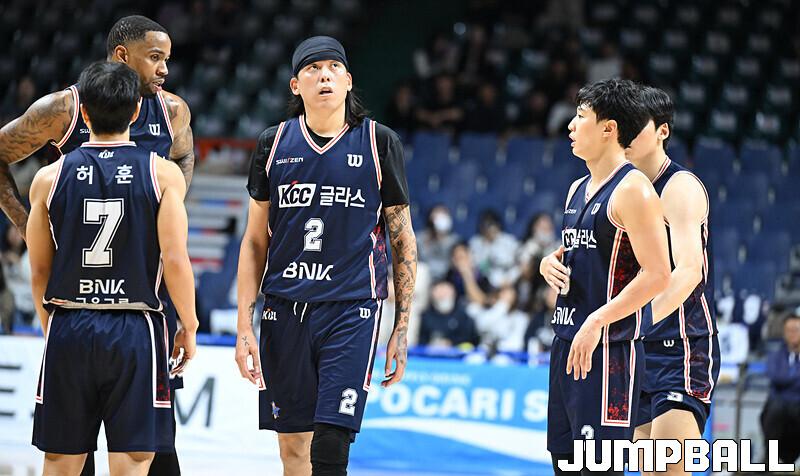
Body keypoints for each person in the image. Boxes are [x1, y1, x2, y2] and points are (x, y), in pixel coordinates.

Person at [0, 15, 195, 475]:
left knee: (151, 450)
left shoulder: (172, 110)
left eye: (167, 59)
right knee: (130, 452)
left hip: (121, 301)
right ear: (123, 55)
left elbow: (186, 153)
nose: (165, 69)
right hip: (124, 314)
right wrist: (29, 225)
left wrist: (165, 212)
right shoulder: (62, 108)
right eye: (156, 57)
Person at [235, 36, 417, 476]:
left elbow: (402, 239)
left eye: (334, 68)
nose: (324, 76)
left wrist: (401, 326)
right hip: (284, 309)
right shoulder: (273, 144)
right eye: (313, 69)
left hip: (351, 309)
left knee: (332, 444)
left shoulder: (378, 142)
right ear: (296, 85)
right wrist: (244, 326)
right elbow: (255, 241)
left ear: (348, 81)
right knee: (293, 449)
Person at [539, 78, 671, 475]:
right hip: (567, 342)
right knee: (564, 464)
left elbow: (658, 274)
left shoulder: (634, 190)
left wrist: (597, 320)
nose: (571, 125)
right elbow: (584, 255)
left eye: (581, 116)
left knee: (598, 468)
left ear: (609, 129)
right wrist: (548, 263)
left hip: (610, 350)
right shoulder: (576, 188)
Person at [628, 85, 719, 475]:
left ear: (662, 131)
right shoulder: (621, 189)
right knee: (645, 468)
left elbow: (689, 270)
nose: (625, 135)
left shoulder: (680, 187)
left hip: (680, 346)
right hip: (635, 349)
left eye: (635, 126)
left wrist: (637, 319)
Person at [761, 312, 800, 466]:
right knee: (774, 409)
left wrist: (787, 378)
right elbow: (775, 377)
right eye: (789, 330)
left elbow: (781, 379)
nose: (792, 334)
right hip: (779, 408)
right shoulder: (775, 355)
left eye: (796, 329)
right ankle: (770, 461)